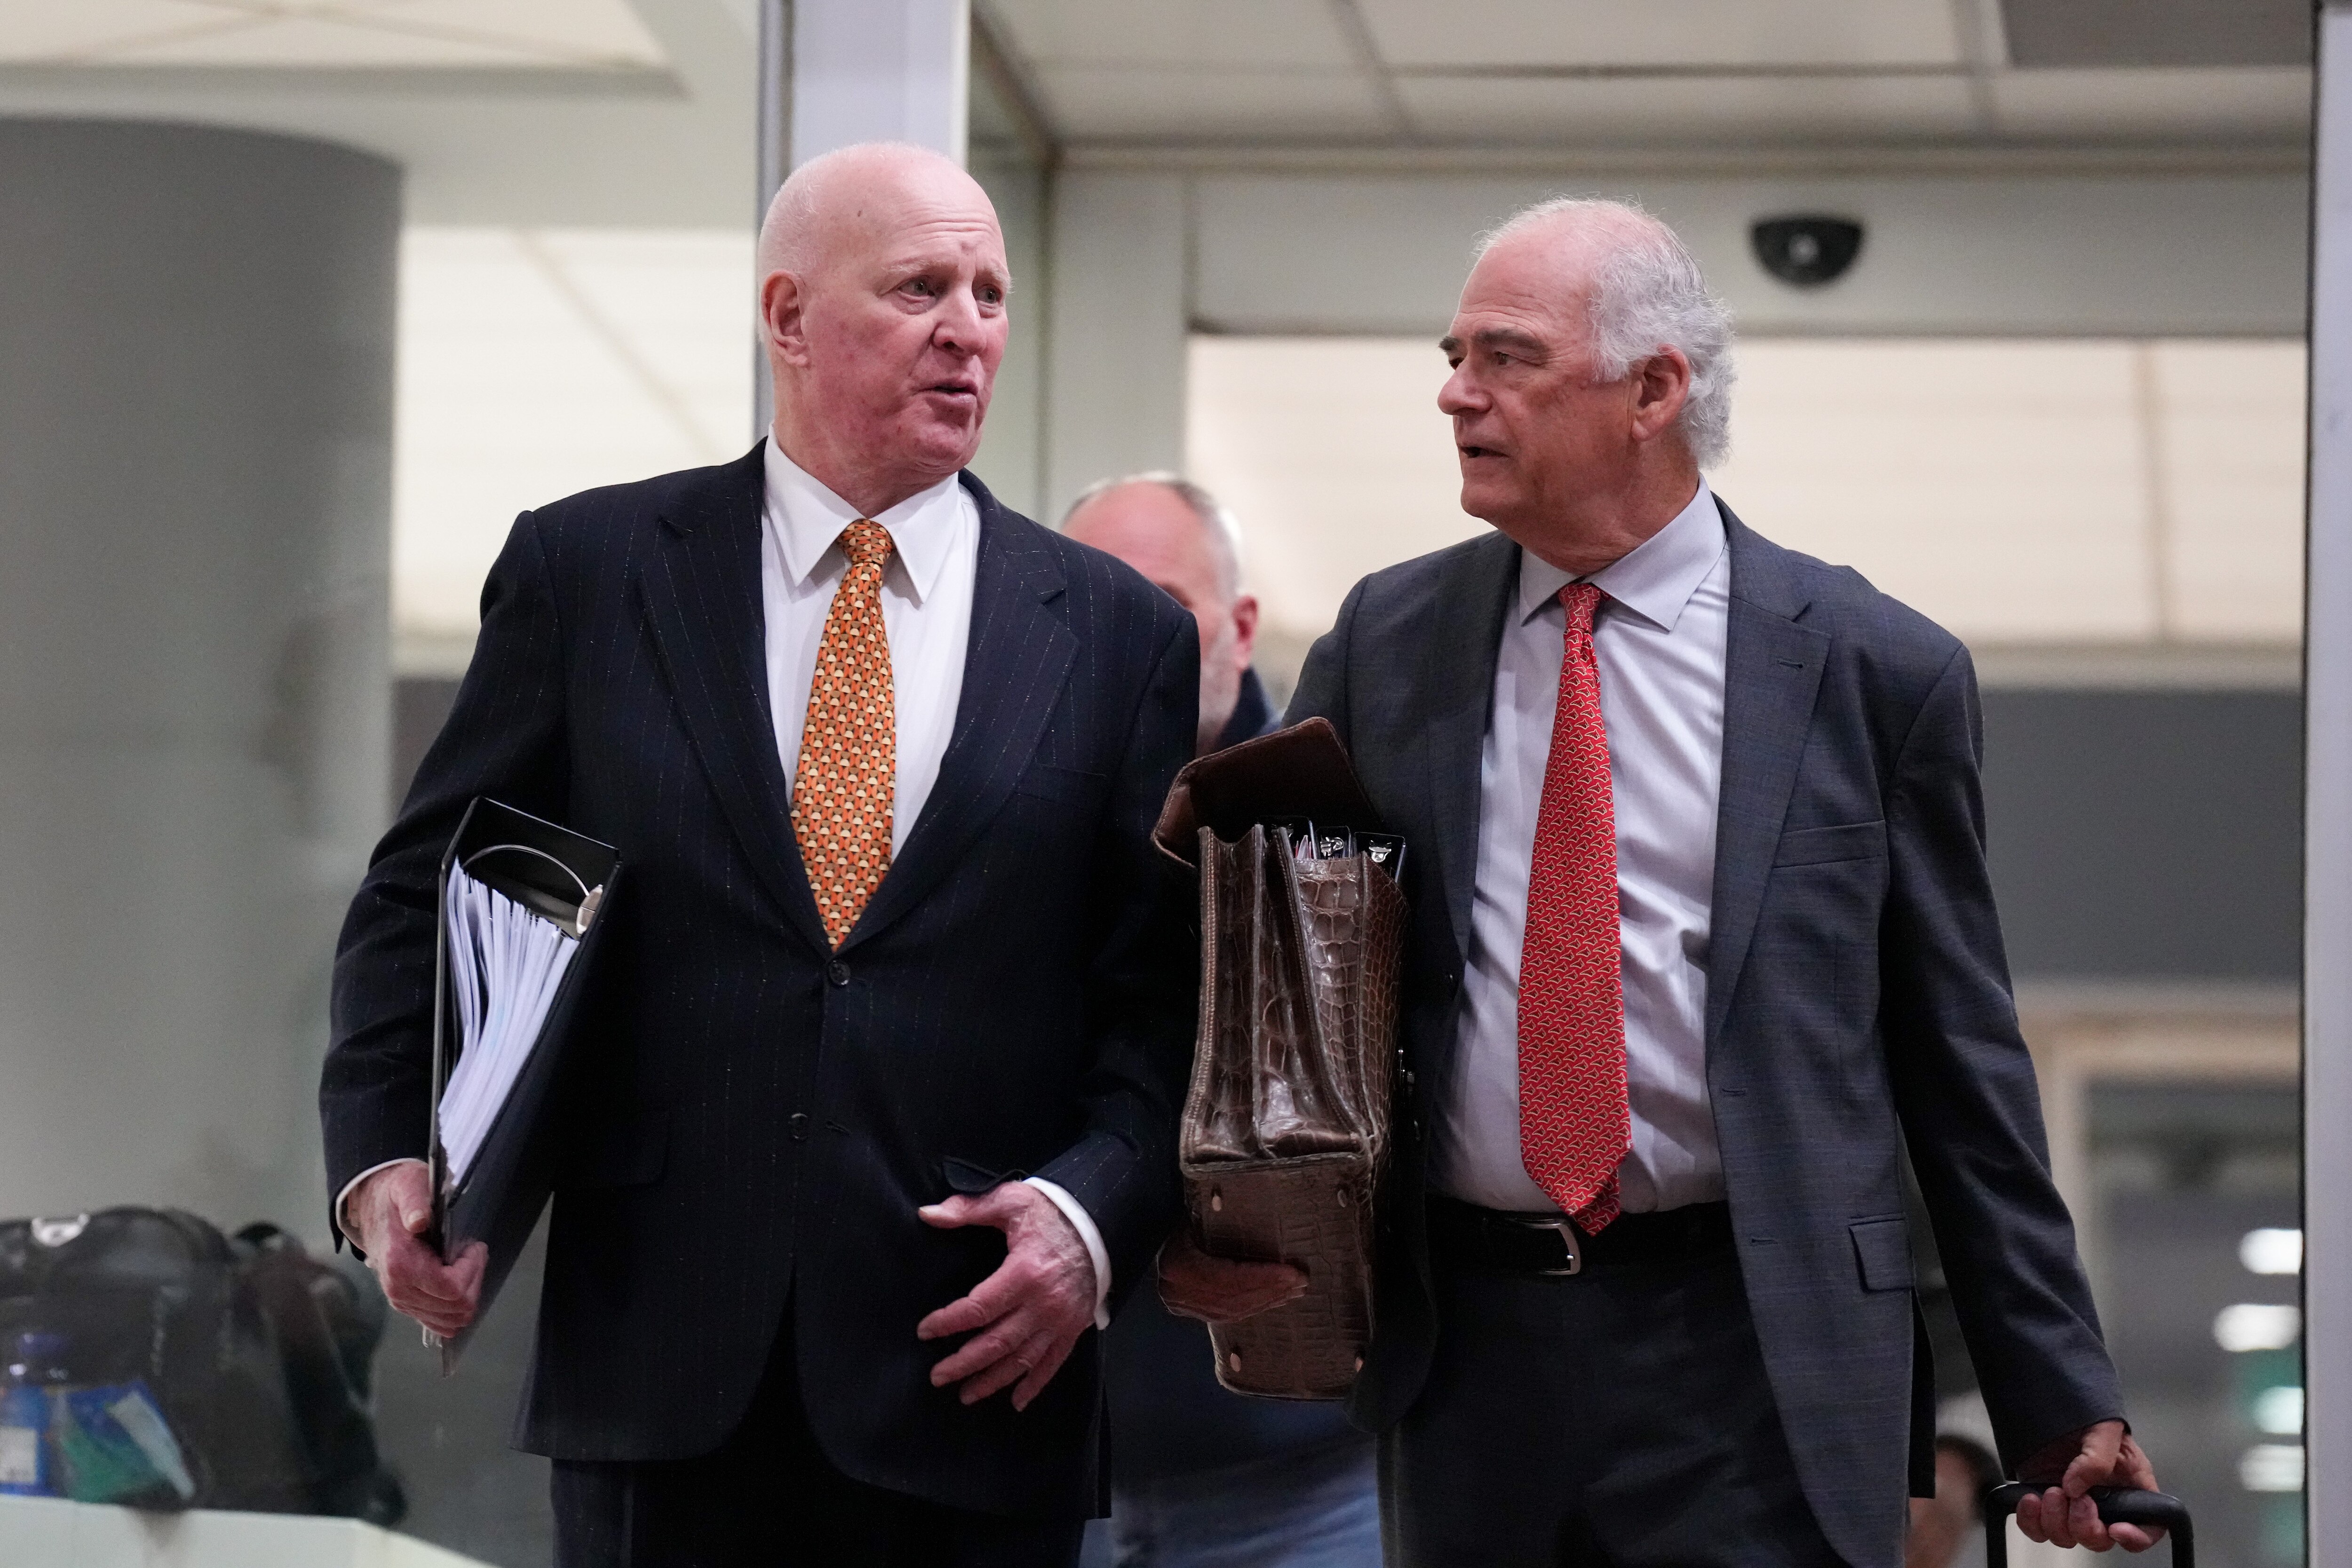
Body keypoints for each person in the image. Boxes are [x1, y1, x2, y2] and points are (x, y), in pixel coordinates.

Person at [1160, 197, 2163, 1566]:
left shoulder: (1873, 671)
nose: (1456, 392)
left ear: (1653, 390)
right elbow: (1289, 992)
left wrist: (2056, 1393)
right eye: (1455, 355)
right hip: (1466, 1359)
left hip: (1759, 1356)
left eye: (1507, 357)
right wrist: (1206, 1215)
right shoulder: (1386, 641)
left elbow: (1961, 1063)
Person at [319, 142, 1200, 1568]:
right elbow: (428, 887)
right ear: (788, 316)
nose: (967, 327)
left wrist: (1090, 1213)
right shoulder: (592, 569)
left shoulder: (1117, 632)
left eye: (989, 293)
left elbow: (1164, 999)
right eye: (919, 287)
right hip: (658, 1367)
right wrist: (382, 1157)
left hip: (973, 1365)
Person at [1063, 474, 1382, 1567]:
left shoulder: (1343, 822)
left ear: (1241, 627)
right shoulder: (1000, 830)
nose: (1131, 644)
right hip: (1048, 1471)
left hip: (1300, 1482)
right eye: (1094, 609)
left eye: (1165, 605)